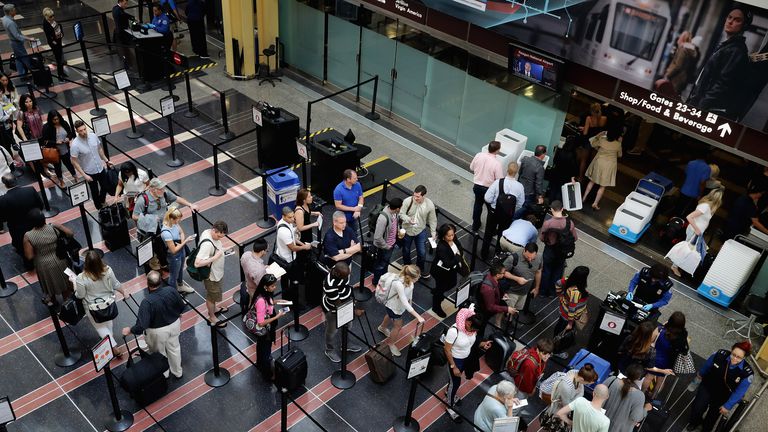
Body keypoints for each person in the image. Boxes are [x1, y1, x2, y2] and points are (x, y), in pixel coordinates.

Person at [687, 6, 752, 120]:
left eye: (737, 20)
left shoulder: (736, 50)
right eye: (729, 17)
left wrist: (700, 109)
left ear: (744, 26)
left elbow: (722, 85)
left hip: (705, 109)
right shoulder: (727, 46)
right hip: (698, 104)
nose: (730, 21)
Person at [122, 271, 185, 379]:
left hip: (157, 332)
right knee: (174, 348)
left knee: (158, 352)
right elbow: (181, 306)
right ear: (160, 281)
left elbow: (142, 325)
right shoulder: (171, 290)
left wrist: (130, 330)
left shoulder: (147, 302)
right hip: (174, 324)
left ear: (148, 284)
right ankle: (178, 372)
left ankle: (164, 374)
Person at [686, 341, 754, 432]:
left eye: (739, 357)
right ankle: (694, 422)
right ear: (731, 350)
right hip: (707, 387)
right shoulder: (720, 355)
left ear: (744, 357)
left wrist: (728, 406)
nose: (734, 359)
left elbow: (740, 392)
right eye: (733, 354)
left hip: (723, 396)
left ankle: (705, 429)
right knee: (697, 407)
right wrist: (701, 374)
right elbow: (707, 365)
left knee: (712, 417)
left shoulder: (747, 373)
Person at [133, 178, 196, 270]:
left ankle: (165, 261)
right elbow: (134, 216)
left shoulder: (164, 194)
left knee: (166, 243)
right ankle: (157, 264)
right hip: (150, 229)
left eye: (163, 188)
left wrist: (190, 204)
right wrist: (152, 218)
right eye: (160, 189)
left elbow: (177, 198)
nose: (163, 190)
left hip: (164, 225)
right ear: (152, 189)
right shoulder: (142, 200)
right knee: (155, 248)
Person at [75, 250, 127, 357]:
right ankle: (110, 338)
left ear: (86, 264)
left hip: (93, 308)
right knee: (108, 323)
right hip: (109, 303)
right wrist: (124, 293)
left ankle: (114, 348)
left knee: (100, 327)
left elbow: (80, 295)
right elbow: (116, 284)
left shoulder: (81, 278)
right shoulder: (108, 270)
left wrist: (75, 285)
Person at [444, 308, 492, 421]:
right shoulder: (454, 331)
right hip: (456, 361)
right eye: (473, 328)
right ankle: (449, 406)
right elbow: (446, 350)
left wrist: (482, 344)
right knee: (455, 384)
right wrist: (453, 366)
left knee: (453, 382)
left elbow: (472, 341)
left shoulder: (471, 330)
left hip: (466, 358)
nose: (473, 331)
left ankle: (448, 392)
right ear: (468, 322)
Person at [22, 208, 73, 303]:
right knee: (65, 284)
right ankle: (68, 304)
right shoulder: (53, 227)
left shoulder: (28, 236)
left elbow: (29, 256)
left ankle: (52, 301)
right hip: (60, 260)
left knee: (49, 285)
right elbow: (70, 233)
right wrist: (60, 227)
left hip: (44, 266)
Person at [670, 188, 723, 277]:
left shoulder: (710, 207)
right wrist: (697, 229)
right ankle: (674, 266)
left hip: (697, 232)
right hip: (694, 231)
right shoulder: (705, 206)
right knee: (686, 249)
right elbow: (689, 217)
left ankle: (678, 265)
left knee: (688, 250)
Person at [377, 264, 424, 357]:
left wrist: (410, 304)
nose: (418, 279)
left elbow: (409, 295)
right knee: (398, 326)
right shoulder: (398, 284)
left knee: (390, 315)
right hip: (393, 306)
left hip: (397, 306)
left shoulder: (410, 282)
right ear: (410, 276)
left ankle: (382, 327)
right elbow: (404, 301)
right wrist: (418, 316)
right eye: (416, 277)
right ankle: (391, 344)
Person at [482, 162, 525, 259]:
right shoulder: (519, 187)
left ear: (507, 170)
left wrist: (494, 203)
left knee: (488, 233)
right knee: (502, 234)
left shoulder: (498, 182)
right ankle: (498, 254)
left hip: (494, 212)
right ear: (516, 172)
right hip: (507, 215)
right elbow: (520, 203)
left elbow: (487, 198)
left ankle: (484, 253)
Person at [321, 262, 361, 363]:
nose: (347, 277)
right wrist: (353, 309)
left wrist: (351, 301)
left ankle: (346, 344)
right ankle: (329, 350)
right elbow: (339, 304)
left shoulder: (338, 269)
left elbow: (347, 287)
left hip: (346, 302)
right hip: (333, 309)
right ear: (337, 274)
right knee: (332, 331)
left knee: (349, 325)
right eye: (345, 276)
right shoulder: (330, 286)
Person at [540, 364, 599, 431]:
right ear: (582, 379)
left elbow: (581, 393)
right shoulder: (566, 386)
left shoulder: (576, 372)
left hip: (562, 403)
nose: (586, 384)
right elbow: (567, 405)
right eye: (587, 383)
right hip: (557, 409)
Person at [249, 274, 286, 381]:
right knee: (265, 351)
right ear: (265, 287)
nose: (275, 288)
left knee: (261, 347)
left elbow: (268, 304)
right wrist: (277, 316)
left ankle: (260, 363)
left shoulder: (264, 294)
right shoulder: (261, 301)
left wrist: (276, 301)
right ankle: (268, 374)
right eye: (273, 286)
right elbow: (261, 323)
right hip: (265, 331)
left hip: (267, 331)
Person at [70, 120, 113, 209]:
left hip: (100, 168)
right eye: (81, 131)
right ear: (77, 131)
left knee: (105, 186)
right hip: (89, 172)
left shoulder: (93, 136)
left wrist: (106, 160)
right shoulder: (75, 145)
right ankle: (99, 207)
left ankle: (102, 200)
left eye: (84, 129)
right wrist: (84, 175)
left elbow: (99, 149)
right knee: (94, 191)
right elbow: (73, 161)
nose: (83, 132)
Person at [194, 220, 229, 328]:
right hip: (211, 276)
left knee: (214, 295)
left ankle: (215, 308)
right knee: (211, 296)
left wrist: (222, 250)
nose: (220, 238)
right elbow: (197, 263)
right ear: (214, 230)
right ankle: (212, 316)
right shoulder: (207, 245)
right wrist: (215, 257)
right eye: (219, 236)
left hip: (216, 273)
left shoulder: (207, 232)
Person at [0, 175, 43, 264]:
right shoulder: (30, 190)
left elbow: (3, 218)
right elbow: (41, 206)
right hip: (35, 225)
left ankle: (29, 264)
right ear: (16, 180)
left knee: (23, 250)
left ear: (5, 185)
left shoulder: (3, 200)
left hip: (18, 231)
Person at [540, 200, 578, 297]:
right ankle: (553, 292)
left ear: (551, 209)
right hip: (562, 252)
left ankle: (543, 293)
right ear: (562, 209)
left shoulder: (547, 223)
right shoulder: (570, 223)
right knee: (557, 271)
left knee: (546, 270)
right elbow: (575, 238)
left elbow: (541, 238)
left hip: (549, 251)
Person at [274, 207, 311, 306]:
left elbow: (293, 239)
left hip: (287, 257)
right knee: (288, 281)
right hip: (287, 260)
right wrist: (304, 247)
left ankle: (287, 299)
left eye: (293, 217)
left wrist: (302, 244)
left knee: (286, 280)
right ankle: (288, 301)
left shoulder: (287, 224)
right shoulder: (284, 231)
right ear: (283, 217)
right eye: (290, 217)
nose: (293, 219)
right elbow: (293, 247)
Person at [583, 121, 623, 211]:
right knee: (602, 186)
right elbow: (620, 155)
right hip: (609, 165)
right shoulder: (618, 144)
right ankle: (595, 203)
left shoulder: (602, 140)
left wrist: (599, 134)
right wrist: (620, 142)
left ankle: (584, 197)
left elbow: (592, 142)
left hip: (599, 162)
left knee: (592, 182)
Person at [399, 185, 437, 278]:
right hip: (407, 230)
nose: (415, 198)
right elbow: (401, 214)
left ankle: (418, 270)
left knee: (422, 252)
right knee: (406, 251)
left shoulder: (429, 204)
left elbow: (432, 219)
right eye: (414, 195)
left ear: (424, 196)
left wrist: (433, 232)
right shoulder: (408, 201)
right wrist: (408, 219)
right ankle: (408, 268)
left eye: (418, 196)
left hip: (420, 231)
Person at [553, 266, 591, 358]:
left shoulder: (568, 279)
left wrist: (560, 295)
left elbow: (557, 283)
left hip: (564, 312)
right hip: (568, 317)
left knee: (560, 328)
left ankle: (555, 345)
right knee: (563, 334)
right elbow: (572, 309)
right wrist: (570, 323)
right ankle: (556, 351)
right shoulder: (576, 292)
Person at [603, 363, 651, 432]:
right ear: (640, 378)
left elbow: (597, 394)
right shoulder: (639, 396)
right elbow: (636, 417)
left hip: (599, 424)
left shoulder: (612, 380)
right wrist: (645, 409)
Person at [431, 223, 464, 318]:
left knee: (452, 283)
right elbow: (448, 263)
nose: (452, 237)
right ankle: (436, 306)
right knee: (440, 289)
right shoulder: (441, 247)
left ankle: (437, 291)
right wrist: (458, 257)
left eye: (453, 234)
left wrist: (458, 255)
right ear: (443, 236)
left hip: (451, 270)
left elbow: (460, 248)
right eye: (449, 235)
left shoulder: (454, 238)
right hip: (440, 272)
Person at [650, 312, 689, 392]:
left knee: (649, 376)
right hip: (668, 362)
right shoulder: (682, 336)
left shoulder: (661, 330)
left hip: (654, 357)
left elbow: (650, 340)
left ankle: (643, 392)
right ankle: (653, 397)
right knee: (660, 381)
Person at [470, 140, 504, 231]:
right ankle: (490, 229)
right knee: (491, 209)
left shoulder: (479, 155)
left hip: (477, 186)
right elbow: (499, 180)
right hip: (488, 189)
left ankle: (475, 225)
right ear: (497, 150)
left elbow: (471, 167)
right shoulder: (497, 163)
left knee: (477, 205)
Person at [160, 208, 195, 294]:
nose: (179, 220)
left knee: (180, 269)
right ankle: (174, 295)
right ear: (171, 219)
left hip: (181, 250)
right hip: (174, 256)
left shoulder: (174, 223)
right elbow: (173, 250)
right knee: (173, 276)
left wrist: (181, 244)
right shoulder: (166, 233)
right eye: (178, 219)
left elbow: (181, 233)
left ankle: (180, 286)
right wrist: (186, 242)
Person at [500, 242, 542, 314]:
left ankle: (509, 320)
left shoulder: (539, 257)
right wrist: (517, 279)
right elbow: (502, 272)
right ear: (524, 250)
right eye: (528, 257)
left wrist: (537, 288)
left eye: (532, 258)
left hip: (524, 292)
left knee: (516, 310)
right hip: (512, 291)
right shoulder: (513, 258)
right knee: (507, 311)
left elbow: (538, 272)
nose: (530, 260)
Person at [477, 263, 518, 334]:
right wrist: (506, 309)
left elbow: (497, 287)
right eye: (503, 273)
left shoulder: (491, 277)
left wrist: (502, 295)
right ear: (497, 275)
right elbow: (490, 307)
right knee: (481, 327)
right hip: (484, 311)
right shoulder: (488, 289)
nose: (504, 274)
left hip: (493, 301)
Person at [15, 94, 49, 179]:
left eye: (30, 101)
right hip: (30, 138)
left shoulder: (37, 109)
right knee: (33, 158)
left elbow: (41, 121)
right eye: (26, 102)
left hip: (41, 136)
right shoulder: (21, 113)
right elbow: (19, 126)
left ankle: (46, 170)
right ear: (23, 103)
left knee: (44, 154)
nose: (29, 103)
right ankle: (39, 175)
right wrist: (24, 138)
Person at [656, 31, 699, 97]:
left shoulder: (683, 50)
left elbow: (678, 65)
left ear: (682, 39)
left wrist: (668, 74)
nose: (678, 39)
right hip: (680, 79)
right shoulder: (689, 50)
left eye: (680, 37)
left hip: (675, 79)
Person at [39, 110, 76, 188]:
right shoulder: (47, 127)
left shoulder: (64, 123)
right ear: (50, 119)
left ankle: (75, 176)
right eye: (54, 119)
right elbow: (45, 141)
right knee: (57, 167)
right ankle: (61, 181)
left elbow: (70, 133)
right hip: (55, 151)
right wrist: (55, 142)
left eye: (57, 119)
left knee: (69, 164)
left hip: (65, 149)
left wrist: (68, 138)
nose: (56, 121)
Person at [371, 197, 402, 285]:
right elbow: (377, 237)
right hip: (384, 246)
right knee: (380, 264)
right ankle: (376, 281)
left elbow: (395, 223)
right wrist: (386, 246)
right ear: (397, 208)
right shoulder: (383, 219)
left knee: (385, 263)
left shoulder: (394, 213)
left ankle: (384, 277)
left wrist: (398, 230)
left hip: (391, 243)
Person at [2, 5, 37, 78]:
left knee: (18, 59)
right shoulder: (10, 23)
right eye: (14, 9)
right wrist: (29, 38)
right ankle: (34, 72)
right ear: (10, 11)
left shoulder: (4, 18)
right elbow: (17, 36)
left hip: (13, 42)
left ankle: (22, 74)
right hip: (16, 43)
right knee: (25, 57)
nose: (15, 10)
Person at [577, 103, 607, 180]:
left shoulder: (589, 119)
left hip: (588, 142)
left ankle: (581, 177)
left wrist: (584, 128)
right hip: (598, 142)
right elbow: (600, 130)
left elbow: (585, 132)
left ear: (591, 111)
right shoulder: (604, 119)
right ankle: (589, 178)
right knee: (592, 161)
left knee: (584, 160)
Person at [0, 73, 23, 169]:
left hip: (14, 111)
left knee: (18, 127)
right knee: (8, 130)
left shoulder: (11, 87)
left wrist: (13, 103)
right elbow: (2, 104)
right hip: (7, 114)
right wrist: (8, 106)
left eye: (6, 80)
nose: (5, 82)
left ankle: (14, 142)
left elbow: (17, 96)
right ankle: (12, 143)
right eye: (3, 80)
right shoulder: (0, 91)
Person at [517, 145, 547, 217]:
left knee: (518, 205)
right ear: (543, 154)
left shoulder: (525, 159)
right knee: (524, 208)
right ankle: (514, 220)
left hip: (520, 187)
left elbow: (520, 172)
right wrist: (540, 196)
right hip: (529, 192)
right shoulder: (540, 167)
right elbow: (538, 184)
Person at [547, 137, 580, 203]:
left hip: (556, 173)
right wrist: (573, 176)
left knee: (553, 189)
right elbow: (574, 167)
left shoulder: (559, 151)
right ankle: (557, 207)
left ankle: (550, 204)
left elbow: (555, 161)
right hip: (566, 177)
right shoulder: (573, 155)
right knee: (561, 192)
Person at [240, 238, 268, 308]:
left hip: (248, 285)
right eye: (267, 251)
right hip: (256, 292)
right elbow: (262, 286)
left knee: (251, 302)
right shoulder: (259, 270)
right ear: (262, 251)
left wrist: (263, 268)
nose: (266, 252)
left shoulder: (246, 255)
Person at [42, 7, 67, 79]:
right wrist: (55, 43)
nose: (53, 17)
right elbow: (49, 36)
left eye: (53, 15)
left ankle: (62, 73)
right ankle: (60, 75)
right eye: (51, 16)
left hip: (58, 40)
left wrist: (60, 35)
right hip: (54, 43)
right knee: (58, 59)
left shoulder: (52, 21)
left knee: (60, 57)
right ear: (47, 17)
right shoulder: (46, 24)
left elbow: (58, 28)